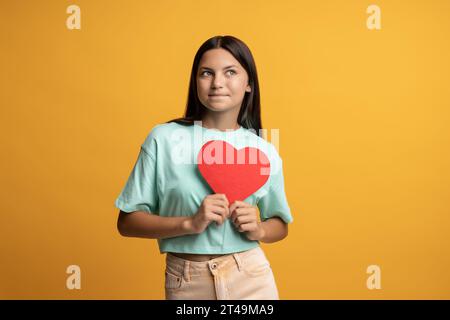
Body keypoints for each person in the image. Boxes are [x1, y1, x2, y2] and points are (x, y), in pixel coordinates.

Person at [115, 35, 293, 300]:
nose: (217, 83)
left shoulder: (263, 150)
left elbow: (280, 223)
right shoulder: (162, 139)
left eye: (230, 72)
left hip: (251, 276)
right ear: (195, 82)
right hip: (187, 281)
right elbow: (127, 222)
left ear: (249, 84)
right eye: (206, 73)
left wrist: (259, 229)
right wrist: (189, 222)